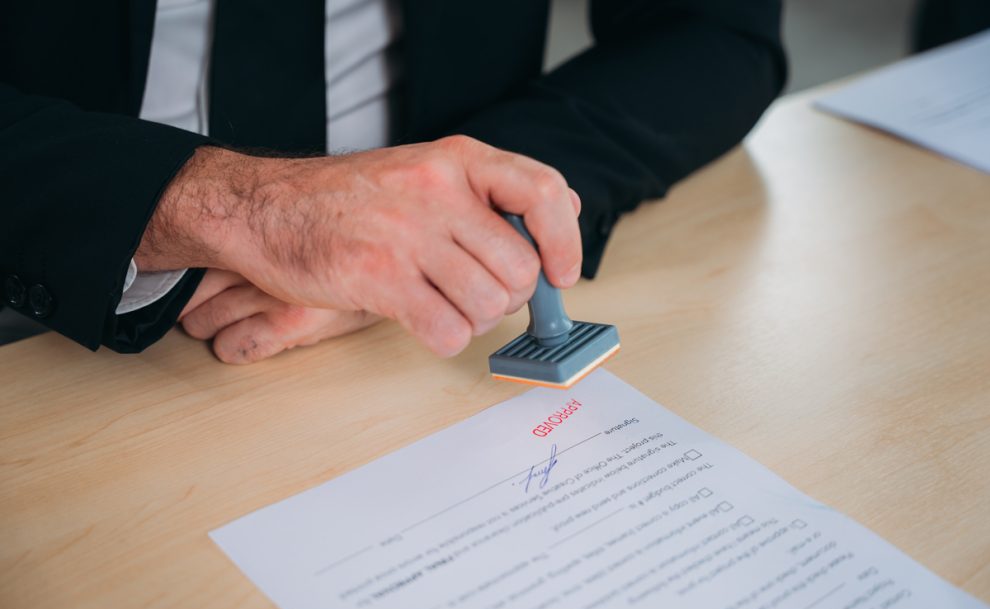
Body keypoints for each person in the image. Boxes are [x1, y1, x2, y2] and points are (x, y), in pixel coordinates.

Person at [1, 0, 786, 363]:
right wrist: (240, 208)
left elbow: (712, 30)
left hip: (399, 340)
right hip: (48, 291)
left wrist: (464, 206)